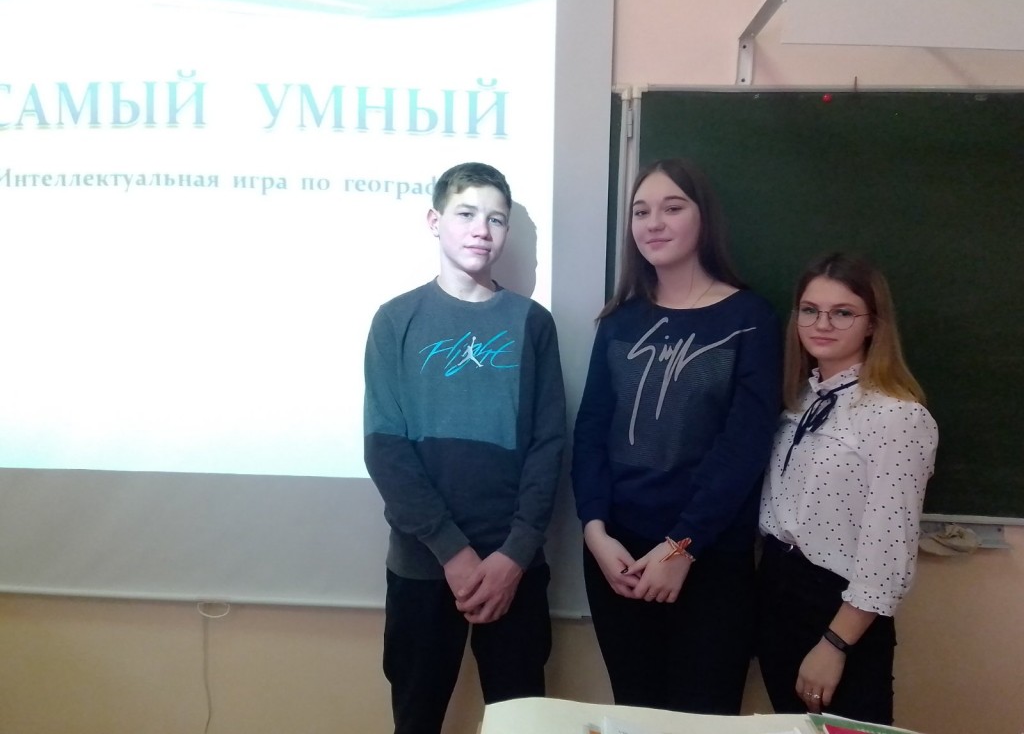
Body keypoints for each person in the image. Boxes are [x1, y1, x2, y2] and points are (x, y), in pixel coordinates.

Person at [572, 158, 782, 714]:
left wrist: (682, 545)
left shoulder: (750, 318)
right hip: (618, 557)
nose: (654, 223)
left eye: (672, 208)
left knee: (702, 719)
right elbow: (590, 431)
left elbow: (745, 447)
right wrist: (594, 532)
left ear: (703, 218)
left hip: (707, 560)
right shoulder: (619, 321)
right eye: (641, 212)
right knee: (635, 713)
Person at [363, 162, 566, 734]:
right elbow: (384, 449)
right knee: (416, 718)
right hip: (423, 565)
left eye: (496, 219)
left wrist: (513, 555)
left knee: (521, 721)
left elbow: (549, 447)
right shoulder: (395, 320)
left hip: (514, 567)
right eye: (467, 214)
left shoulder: (532, 324)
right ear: (435, 221)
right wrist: (452, 552)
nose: (482, 229)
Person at [757, 252, 938, 725]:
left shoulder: (897, 417)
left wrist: (834, 644)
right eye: (810, 310)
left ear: (873, 324)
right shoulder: (799, 401)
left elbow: (888, 551)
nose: (822, 324)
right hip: (776, 589)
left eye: (842, 312)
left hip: (837, 607)